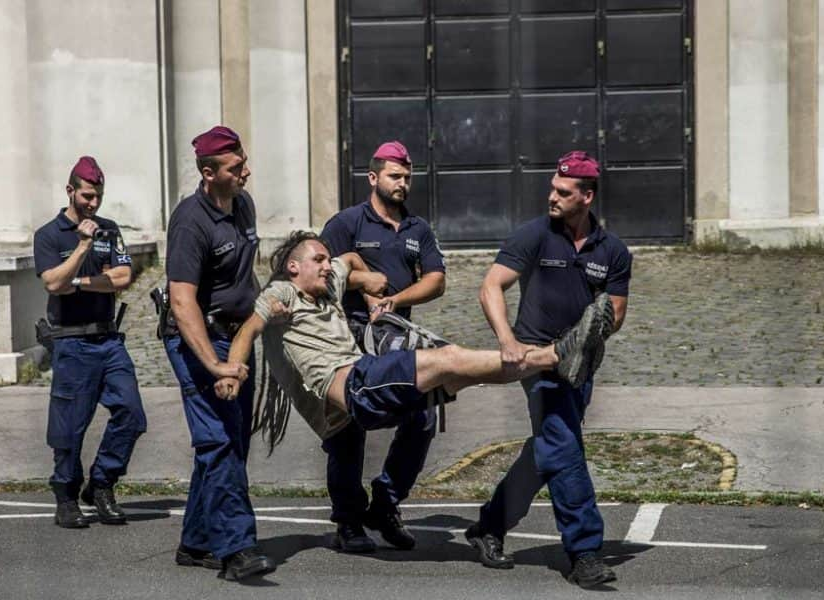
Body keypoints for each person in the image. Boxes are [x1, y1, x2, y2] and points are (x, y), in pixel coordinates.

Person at [212, 234, 612, 534]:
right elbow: (249, 329)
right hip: (353, 385)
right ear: (294, 268)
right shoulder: (282, 293)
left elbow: (348, 260)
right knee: (450, 359)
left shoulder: (328, 285)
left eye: (325, 259)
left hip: (367, 386)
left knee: (460, 374)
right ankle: (557, 355)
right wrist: (231, 369)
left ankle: (551, 364)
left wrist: (367, 280)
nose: (326, 265)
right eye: (317, 260)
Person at [464, 151, 631, 589]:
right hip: (535, 361)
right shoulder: (534, 235)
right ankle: (585, 551)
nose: (551, 196)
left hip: (580, 365)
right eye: (552, 188)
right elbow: (491, 286)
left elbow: (616, 310)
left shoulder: (612, 251)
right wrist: (507, 342)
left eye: (563, 191)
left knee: (546, 451)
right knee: (563, 444)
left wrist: (587, 339)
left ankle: (488, 527)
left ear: (587, 196)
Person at [318, 141, 446, 553]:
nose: (402, 183)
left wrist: (395, 301)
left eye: (407, 177)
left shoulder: (417, 229)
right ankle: (349, 522)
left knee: (422, 418)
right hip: (349, 338)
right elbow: (322, 277)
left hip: (397, 337)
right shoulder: (346, 223)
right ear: (373, 178)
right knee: (347, 431)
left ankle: (386, 503)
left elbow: (436, 279)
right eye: (394, 176)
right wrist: (364, 286)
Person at [162, 125, 275, 581]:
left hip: (236, 338)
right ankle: (237, 549)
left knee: (232, 441)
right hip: (199, 342)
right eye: (234, 167)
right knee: (220, 442)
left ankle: (197, 541)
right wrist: (213, 362)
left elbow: (245, 272)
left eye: (243, 160)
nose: (246, 171)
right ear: (209, 174)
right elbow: (181, 299)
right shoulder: (191, 220)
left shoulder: (242, 203)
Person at [33, 156, 147, 529]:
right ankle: (66, 495)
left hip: (108, 339)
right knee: (69, 428)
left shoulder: (109, 229)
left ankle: (101, 484)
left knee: (131, 414)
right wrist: (82, 249)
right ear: (70, 191)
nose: (93, 204)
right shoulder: (49, 235)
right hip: (70, 342)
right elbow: (51, 283)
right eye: (86, 196)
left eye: (97, 197)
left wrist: (80, 282)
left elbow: (124, 276)